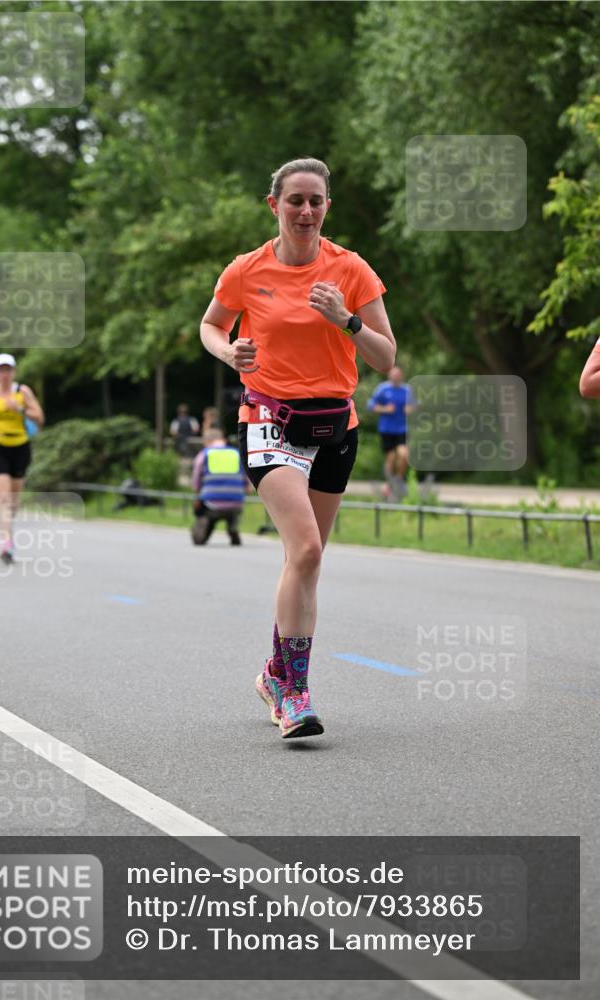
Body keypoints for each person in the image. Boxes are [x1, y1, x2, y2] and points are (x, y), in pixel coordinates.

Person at [200, 156, 396, 739]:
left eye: (316, 201)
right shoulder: (246, 270)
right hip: (268, 418)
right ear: (274, 205)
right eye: (295, 201)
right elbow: (212, 325)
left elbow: (387, 358)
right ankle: (294, 692)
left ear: (326, 207)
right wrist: (227, 352)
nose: (306, 211)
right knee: (306, 550)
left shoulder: (352, 270)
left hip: (335, 426)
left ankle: (273, 671)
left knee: (304, 563)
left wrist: (347, 322)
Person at [0, 354, 44, 563]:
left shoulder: (22, 391)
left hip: (20, 446)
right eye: (1, 370)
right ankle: (6, 541)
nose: (4, 374)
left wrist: (20, 409)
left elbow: (40, 417)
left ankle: (7, 529)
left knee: (13, 500)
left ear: (13, 372)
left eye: (8, 369)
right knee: (2, 497)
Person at [190, 427, 248, 545]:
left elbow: (196, 479)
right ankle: (233, 525)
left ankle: (203, 525)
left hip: (211, 502)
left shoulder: (205, 454)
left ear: (207, 441)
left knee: (200, 507)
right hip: (236, 502)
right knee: (233, 511)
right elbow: (246, 477)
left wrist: (196, 490)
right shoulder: (236, 453)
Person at [367, 366, 414, 501]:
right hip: (386, 429)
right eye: (393, 375)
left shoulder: (407, 390)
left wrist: (410, 409)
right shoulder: (382, 389)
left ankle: (398, 480)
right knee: (391, 458)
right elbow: (371, 405)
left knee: (403, 454)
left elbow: (414, 405)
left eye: (398, 375)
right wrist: (385, 409)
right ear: (389, 376)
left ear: (401, 376)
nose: (396, 377)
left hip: (402, 429)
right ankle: (389, 484)